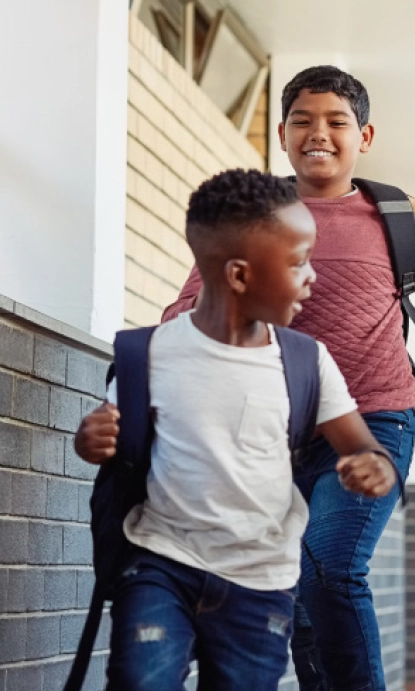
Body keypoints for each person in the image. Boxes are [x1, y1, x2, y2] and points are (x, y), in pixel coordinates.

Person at [162, 65, 415, 690]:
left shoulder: (398, 217)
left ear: (363, 134)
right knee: (299, 596)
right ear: (281, 133)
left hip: (373, 423)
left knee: (330, 566)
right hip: (266, 433)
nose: (319, 134)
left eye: (337, 121)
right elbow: (186, 308)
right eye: (303, 120)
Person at [74, 169, 396, 690]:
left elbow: (363, 444)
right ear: (241, 276)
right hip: (162, 563)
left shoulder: (306, 362)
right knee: (139, 681)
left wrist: (373, 467)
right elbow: (106, 437)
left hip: (259, 579)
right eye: (298, 263)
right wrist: (90, 441)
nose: (313, 276)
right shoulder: (147, 352)